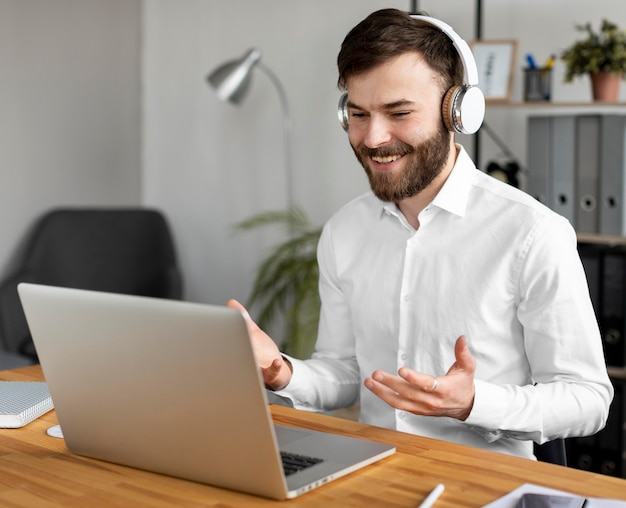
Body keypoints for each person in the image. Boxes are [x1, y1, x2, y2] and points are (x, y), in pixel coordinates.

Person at [228, 8, 613, 459]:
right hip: (376, 474)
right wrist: (281, 373)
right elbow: (347, 372)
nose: (373, 138)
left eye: (399, 112)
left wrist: (472, 403)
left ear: (458, 111)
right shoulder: (344, 232)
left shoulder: (532, 233)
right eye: (358, 113)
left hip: (486, 487)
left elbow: (587, 399)